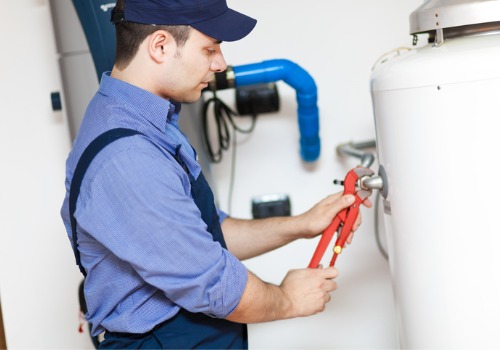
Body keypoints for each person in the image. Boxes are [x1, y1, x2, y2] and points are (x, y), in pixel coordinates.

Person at [60, 0, 371, 348]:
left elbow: (205, 235)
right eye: (209, 48)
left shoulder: (144, 121)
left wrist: (302, 224)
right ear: (160, 46)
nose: (221, 64)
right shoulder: (128, 157)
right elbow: (215, 285)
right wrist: (289, 299)